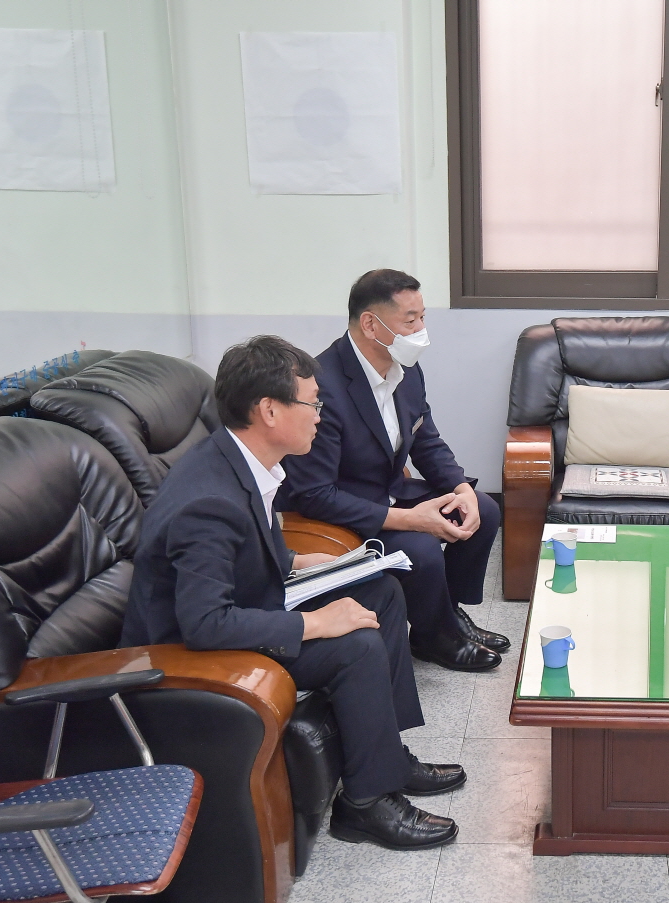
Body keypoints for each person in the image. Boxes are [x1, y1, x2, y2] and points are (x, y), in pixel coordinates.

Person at [121, 336, 463, 850]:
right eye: (312, 403)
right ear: (269, 411)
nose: (320, 416)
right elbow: (205, 624)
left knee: (381, 592)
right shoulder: (207, 502)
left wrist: (299, 561)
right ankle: (366, 804)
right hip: (189, 654)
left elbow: (240, 550)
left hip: (246, 603)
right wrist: (316, 623)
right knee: (354, 646)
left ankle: (387, 757)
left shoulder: (241, 460)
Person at [279, 269, 506, 673]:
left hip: (387, 489)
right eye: (410, 320)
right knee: (419, 550)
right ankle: (435, 638)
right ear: (371, 324)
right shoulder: (323, 386)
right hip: (339, 507)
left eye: (423, 318)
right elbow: (314, 494)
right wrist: (410, 519)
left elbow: (426, 441)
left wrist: (460, 488)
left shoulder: (406, 369)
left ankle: (446, 616)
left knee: (483, 510)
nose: (421, 331)